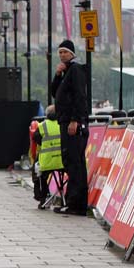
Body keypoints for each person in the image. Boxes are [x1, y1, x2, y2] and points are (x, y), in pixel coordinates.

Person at [50, 40, 89, 216]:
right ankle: (73, 201)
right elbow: (55, 93)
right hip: (64, 121)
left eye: (65, 52)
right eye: (60, 53)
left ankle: (76, 204)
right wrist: (57, 75)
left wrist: (75, 120)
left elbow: (80, 96)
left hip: (72, 123)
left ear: (72, 54)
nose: (62, 55)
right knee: (70, 162)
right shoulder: (65, 72)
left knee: (74, 163)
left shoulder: (76, 70)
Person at [32, 105, 64, 207]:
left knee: (37, 171)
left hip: (47, 163)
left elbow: (36, 139)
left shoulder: (42, 126)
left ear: (47, 115)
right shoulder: (63, 125)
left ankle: (42, 197)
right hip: (63, 162)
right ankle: (66, 200)